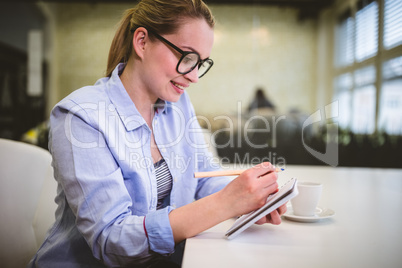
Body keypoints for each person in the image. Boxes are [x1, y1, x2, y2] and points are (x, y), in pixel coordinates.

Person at [28, 1, 287, 267]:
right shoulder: (80, 116)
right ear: (141, 42)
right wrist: (225, 204)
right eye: (186, 57)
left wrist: (249, 200)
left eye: (201, 62)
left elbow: (204, 175)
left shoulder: (178, 103)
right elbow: (111, 239)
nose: (195, 76)